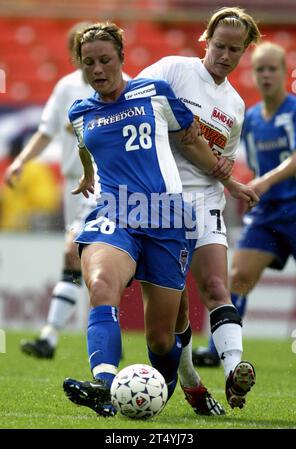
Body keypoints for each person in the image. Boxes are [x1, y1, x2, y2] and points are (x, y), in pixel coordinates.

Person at [61, 21, 259, 417]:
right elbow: (85, 146)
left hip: (167, 217)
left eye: (104, 60)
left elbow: (191, 140)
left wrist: (233, 184)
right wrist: (86, 175)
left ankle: (175, 385)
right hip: (115, 211)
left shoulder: (154, 92)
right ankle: (102, 382)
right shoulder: (80, 111)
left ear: (122, 59)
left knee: (163, 337)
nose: (97, 69)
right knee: (100, 283)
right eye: (88, 63)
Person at [138, 6, 261, 409]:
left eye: (235, 51)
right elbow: (132, 110)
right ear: (205, 40)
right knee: (172, 315)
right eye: (221, 46)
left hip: (205, 200)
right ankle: (191, 381)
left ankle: (234, 371)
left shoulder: (236, 106)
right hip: (159, 201)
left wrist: (229, 179)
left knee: (214, 287)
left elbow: (220, 160)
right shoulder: (173, 69)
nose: (226, 56)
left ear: (244, 52)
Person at [4, 21, 130, 359]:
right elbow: (46, 132)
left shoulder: (129, 88)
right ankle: (54, 338)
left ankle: (52, 335)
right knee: (76, 262)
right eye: (82, 52)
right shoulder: (65, 88)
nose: (90, 61)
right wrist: (20, 162)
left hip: (113, 188)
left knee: (74, 254)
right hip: (76, 189)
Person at [194, 41, 296, 367]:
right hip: (268, 212)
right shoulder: (250, 117)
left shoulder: (294, 111)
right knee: (239, 276)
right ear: (253, 74)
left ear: (284, 73)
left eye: (272, 68)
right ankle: (219, 350)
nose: (266, 75)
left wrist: (264, 181)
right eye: (260, 69)